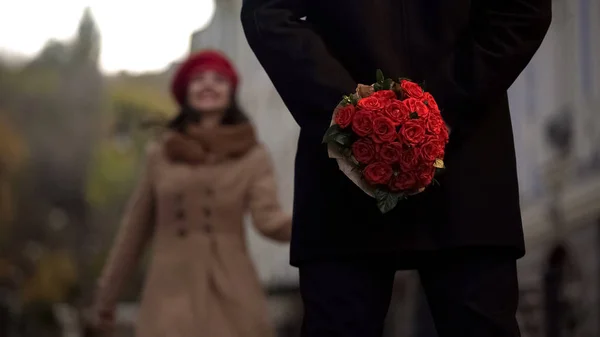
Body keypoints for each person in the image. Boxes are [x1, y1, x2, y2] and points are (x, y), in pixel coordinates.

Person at [241, 0, 552, 336]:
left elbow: (267, 15)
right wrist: (442, 104)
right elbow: (522, 11)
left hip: (352, 167)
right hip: (462, 156)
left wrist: (351, 113)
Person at [89, 50, 292, 337]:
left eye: (218, 79)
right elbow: (134, 231)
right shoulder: (160, 154)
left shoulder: (253, 155)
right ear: (185, 91)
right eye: (198, 79)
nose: (208, 85)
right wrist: (105, 298)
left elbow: (269, 220)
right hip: (169, 292)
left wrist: (324, 227)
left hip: (232, 291)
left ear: (231, 91)